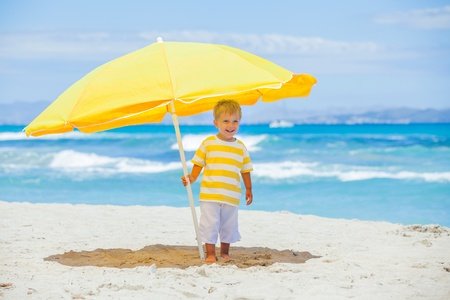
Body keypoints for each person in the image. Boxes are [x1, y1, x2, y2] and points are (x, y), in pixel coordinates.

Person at [181, 99, 253, 262]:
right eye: (226, 121)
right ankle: (211, 253)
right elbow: (199, 163)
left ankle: (225, 252)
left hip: (231, 194)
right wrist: (192, 178)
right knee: (210, 224)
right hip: (210, 194)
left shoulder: (240, 147)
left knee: (229, 225)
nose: (231, 125)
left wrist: (248, 189)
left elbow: (245, 170)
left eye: (235, 121)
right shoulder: (209, 143)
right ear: (216, 123)